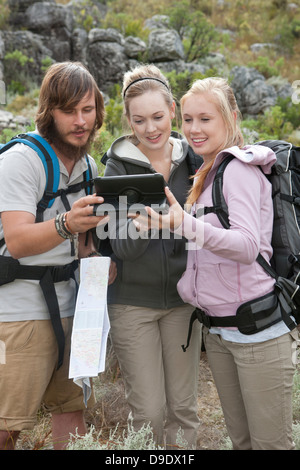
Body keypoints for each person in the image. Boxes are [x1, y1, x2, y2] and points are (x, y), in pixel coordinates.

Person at [138, 77, 299, 450]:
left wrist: (184, 224)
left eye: (206, 119)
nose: (194, 129)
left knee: (270, 445)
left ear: (231, 118)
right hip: (223, 332)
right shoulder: (208, 173)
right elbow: (209, 246)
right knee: (241, 442)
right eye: (189, 119)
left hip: (258, 334)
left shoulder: (238, 171)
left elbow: (246, 247)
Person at [0, 61, 116, 450]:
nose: (81, 121)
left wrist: (100, 268)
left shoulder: (88, 166)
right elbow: (16, 240)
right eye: (69, 111)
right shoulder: (20, 161)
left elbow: (84, 248)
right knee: (6, 424)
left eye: (88, 109)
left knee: (72, 412)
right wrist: (67, 223)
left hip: (76, 311)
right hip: (18, 315)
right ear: (49, 111)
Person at [101, 64, 202, 449]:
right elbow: (122, 246)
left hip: (183, 302)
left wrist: (165, 220)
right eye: (139, 120)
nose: (150, 128)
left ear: (173, 110)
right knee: (148, 412)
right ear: (128, 120)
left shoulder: (196, 161)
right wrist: (156, 217)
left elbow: (209, 231)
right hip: (132, 305)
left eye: (158, 117)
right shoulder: (116, 167)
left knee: (183, 409)